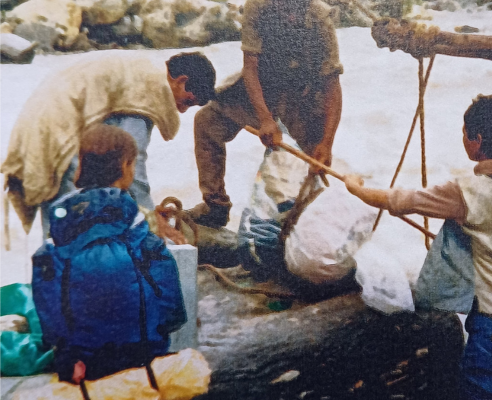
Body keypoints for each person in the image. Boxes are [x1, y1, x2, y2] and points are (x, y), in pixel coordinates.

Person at [345, 94, 492, 400]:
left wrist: (356, 188)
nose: (463, 139)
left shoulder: (466, 190)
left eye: (464, 133)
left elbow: (401, 200)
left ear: (476, 141)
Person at [1, 51, 216, 238]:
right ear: (180, 80)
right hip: (59, 138)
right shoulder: (152, 87)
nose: (182, 110)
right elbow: (132, 159)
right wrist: (150, 218)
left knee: (59, 230)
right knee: (73, 226)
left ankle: (56, 281)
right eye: (187, 101)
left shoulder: (143, 68)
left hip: (40, 130)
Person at [31, 125, 186, 383]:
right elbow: (169, 295)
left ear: (82, 164)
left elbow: (47, 294)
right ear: (125, 167)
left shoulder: (61, 225)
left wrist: (63, 348)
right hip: (140, 351)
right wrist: (165, 331)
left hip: (82, 356)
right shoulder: (136, 221)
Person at [187, 0, 343, 228]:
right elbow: (250, 67)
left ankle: (305, 225)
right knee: (207, 122)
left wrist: (327, 143)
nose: (290, 17)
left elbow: (332, 83)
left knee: (314, 162)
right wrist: (265, 119)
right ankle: (215, 206)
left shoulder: (321, 17)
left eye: (295, 11)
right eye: (284, 10)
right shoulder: (257, 7)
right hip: (261, 87)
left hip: (303, 95)